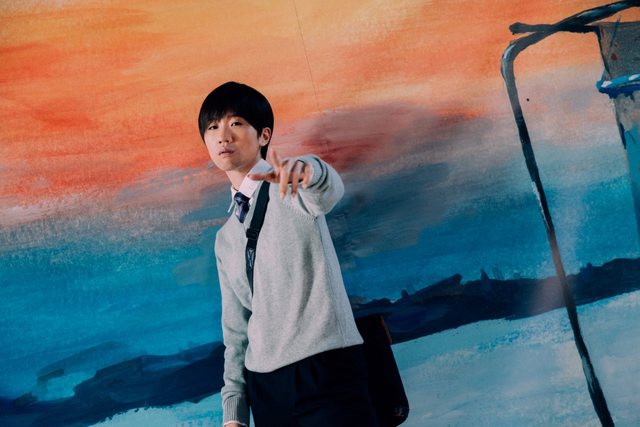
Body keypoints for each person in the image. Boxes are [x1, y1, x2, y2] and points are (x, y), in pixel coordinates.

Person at [198, 81, 379, 427]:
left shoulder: (293, 188)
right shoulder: (225, 239)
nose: (223, 136)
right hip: (267, 389)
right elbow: (235, 331)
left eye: (236, 123)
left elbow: (328, 189)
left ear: (264, 135)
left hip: (326, 369)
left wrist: (307, 170)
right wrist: (234, 414)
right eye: (212, 127)